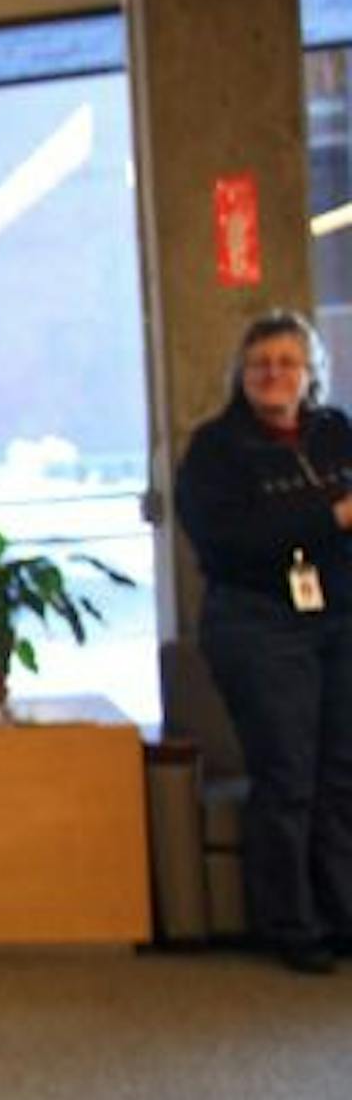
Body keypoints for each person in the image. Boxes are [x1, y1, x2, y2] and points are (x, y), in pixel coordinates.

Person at [174, 309, 352, 976]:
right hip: (257, 623)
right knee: (288, 774)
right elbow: (228, 540)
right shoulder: (216, 450)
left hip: (339, 615)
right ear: (241, 376)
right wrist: (329, 516)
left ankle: (342, 912)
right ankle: (291, 921)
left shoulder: (336, 433)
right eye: (261, 365)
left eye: (287, 363)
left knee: (341, 775)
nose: (274, 375)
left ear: (310, 373)